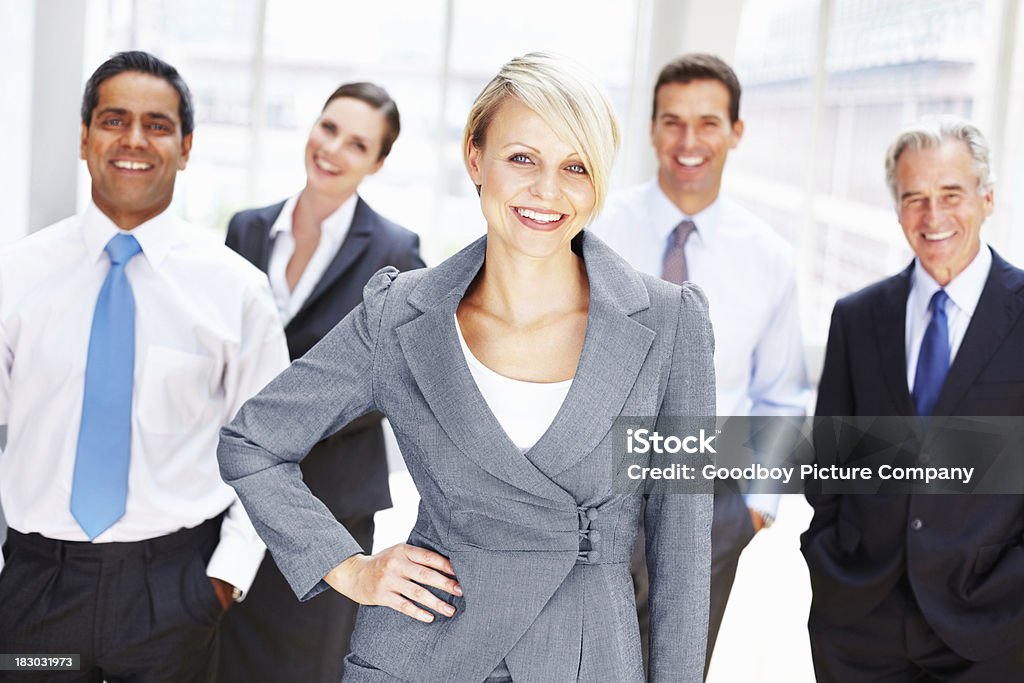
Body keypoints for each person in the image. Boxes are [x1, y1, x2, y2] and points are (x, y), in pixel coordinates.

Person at [218, 52, 714, 682]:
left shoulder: (673, 324)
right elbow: (251, 443)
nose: (547, 191)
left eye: (575, 167)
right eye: (523, 158)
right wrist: (349, 566)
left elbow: (684, 551)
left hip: (586, 656)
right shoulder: (399, 314)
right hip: (422, 654)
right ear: (475, 157)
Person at [0, 51, 288, 681]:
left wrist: (224, 578)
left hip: (172, 597)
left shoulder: (236, 292)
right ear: (84, 139)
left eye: (157, 125)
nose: (134, 140)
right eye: (113, 120)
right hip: (34, 593)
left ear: (185, 147)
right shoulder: (14, 276)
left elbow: (271, 450)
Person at [590, 53, 808, 669]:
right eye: (673, 121)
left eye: (708, 123)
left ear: (736, 132)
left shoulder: (768, 258)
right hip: (593, 485)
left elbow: (782, 392)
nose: (689, 142)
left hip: (710, 500)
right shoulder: (594, 229)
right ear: (653, 128)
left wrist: (758, 503)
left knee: (679, 664)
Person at [219, 82, 424, 682]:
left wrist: (286, 419)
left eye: (357, 143)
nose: (332, 149)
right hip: (233, 497)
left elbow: (392, 379)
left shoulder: (394, 252)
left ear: (377, 163)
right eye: (329, 128)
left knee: (300, 664)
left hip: (329, 500)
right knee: (219, 655)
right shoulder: (247, 230)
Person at [807, 116, 1024, 680]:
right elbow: (830, 462)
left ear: (988, 197)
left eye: (951, 194)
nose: (933, 217)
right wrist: (827, 561)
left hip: (992, 624)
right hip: (859, 619)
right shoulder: (857, 317)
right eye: (914, 198)